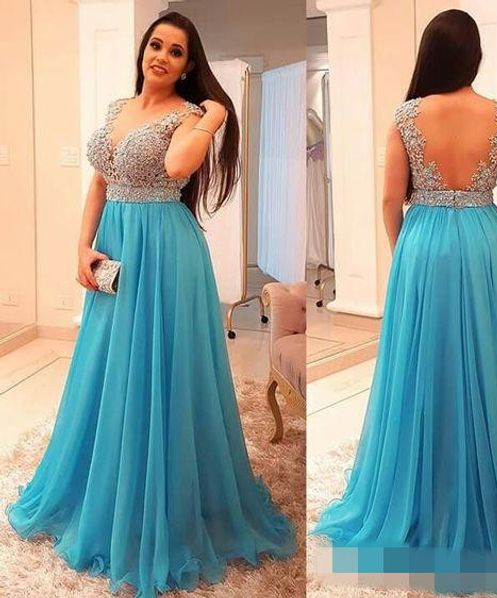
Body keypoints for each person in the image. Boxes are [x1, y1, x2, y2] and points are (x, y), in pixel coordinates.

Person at [5, 11, 296, 598]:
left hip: (164, 252)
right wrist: (82, 246)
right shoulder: (118, 108)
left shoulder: (190, 114)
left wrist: (214, 114)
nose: (161, 56)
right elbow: (99, 181)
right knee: (109, 365)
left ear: (189, 66)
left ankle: (165, 495)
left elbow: (175, 167)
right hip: (115, 248)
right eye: (156, 45)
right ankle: (105, 482)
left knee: (162, 370)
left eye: (176, 51)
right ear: (143, 50)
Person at [310, 8, 497, 594]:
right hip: (483, 242)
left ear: (430, 55)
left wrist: (405, 251)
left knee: (422, 364)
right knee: (490, 362)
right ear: (474, 57)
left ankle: (422, 486)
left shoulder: (407, 116)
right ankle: (493, 483)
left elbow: (390, 200)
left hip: (423, 244)